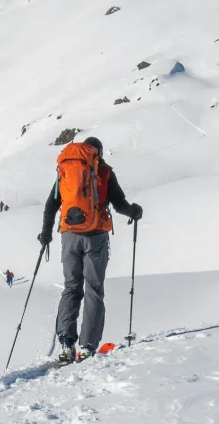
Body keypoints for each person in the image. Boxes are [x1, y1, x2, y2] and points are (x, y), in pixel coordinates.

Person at [38, 136, 142, 362]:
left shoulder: (66, 170)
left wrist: (46, 234)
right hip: (95, 236)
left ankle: (66, 342)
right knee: (93, 289)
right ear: (98, 153)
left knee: (71, 287)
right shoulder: (104, 172)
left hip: (69, 236)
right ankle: (87, 346)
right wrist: (135, 211)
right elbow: (120, 204)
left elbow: (51, 205)